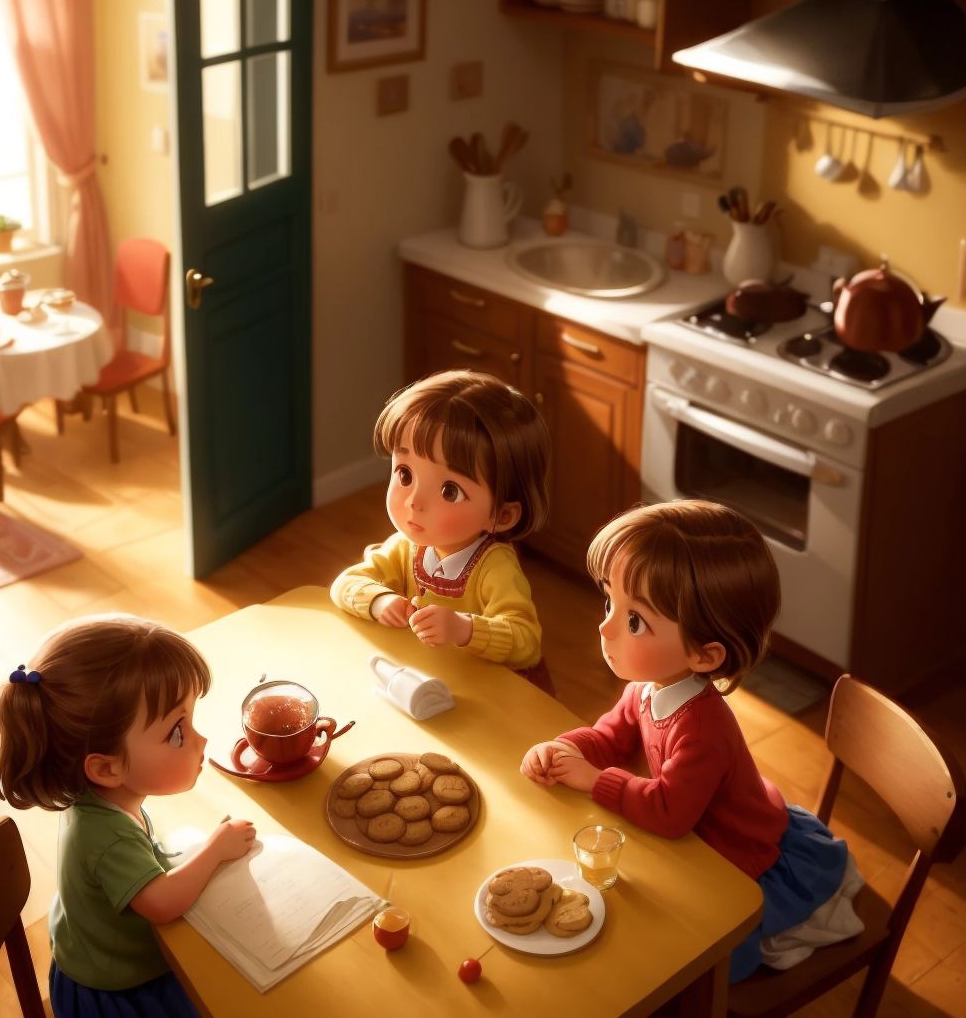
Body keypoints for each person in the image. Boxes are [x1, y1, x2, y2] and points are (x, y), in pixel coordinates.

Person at [520, 500, 864, 981]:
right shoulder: (646, 686)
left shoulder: (703, 727)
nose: (605, 626)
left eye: (634, 620)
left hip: (737, 849)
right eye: (608, 602)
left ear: (705, 655)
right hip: (692, 830)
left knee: (693, 961)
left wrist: (595, 780)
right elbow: (610, 735)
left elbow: (669, 811)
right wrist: (566, 749)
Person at [0, 615, 256, 1016]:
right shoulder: (106, 835)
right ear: (106, 768)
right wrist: (215, 849)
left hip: (103, 954)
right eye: (178, 733)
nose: (200, 739)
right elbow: (162, 903)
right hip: (118, 991)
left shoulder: (105, 799)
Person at [330, 369, 554, 693]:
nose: (414, 502)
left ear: (502, 515)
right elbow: (345, 584)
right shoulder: (406, 547)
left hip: (491, 697)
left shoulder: (496, 568)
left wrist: (464, 629)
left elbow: (525, 641)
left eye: (449, 491)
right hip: (429, 680)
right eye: (405, 474)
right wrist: (379, 600)